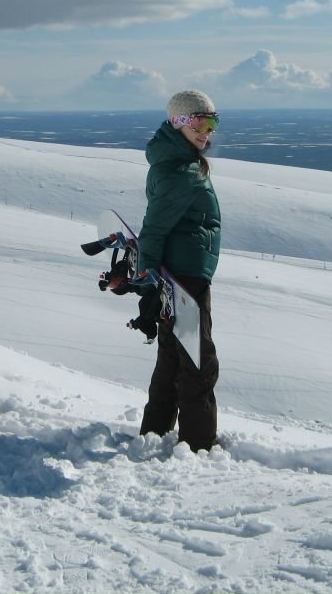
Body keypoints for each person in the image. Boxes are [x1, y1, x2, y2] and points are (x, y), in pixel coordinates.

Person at [135, 89, 222, 452]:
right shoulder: (179, 173)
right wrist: (145, 281)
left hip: (182, 274)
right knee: (198, 365)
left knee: (173, 359)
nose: (206, 131)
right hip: (185, 279)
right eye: (199, 122)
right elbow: (152, 229)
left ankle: (153, 433)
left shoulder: (179, 162)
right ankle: (200, 445)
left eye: (212, 122)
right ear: (179, 122)